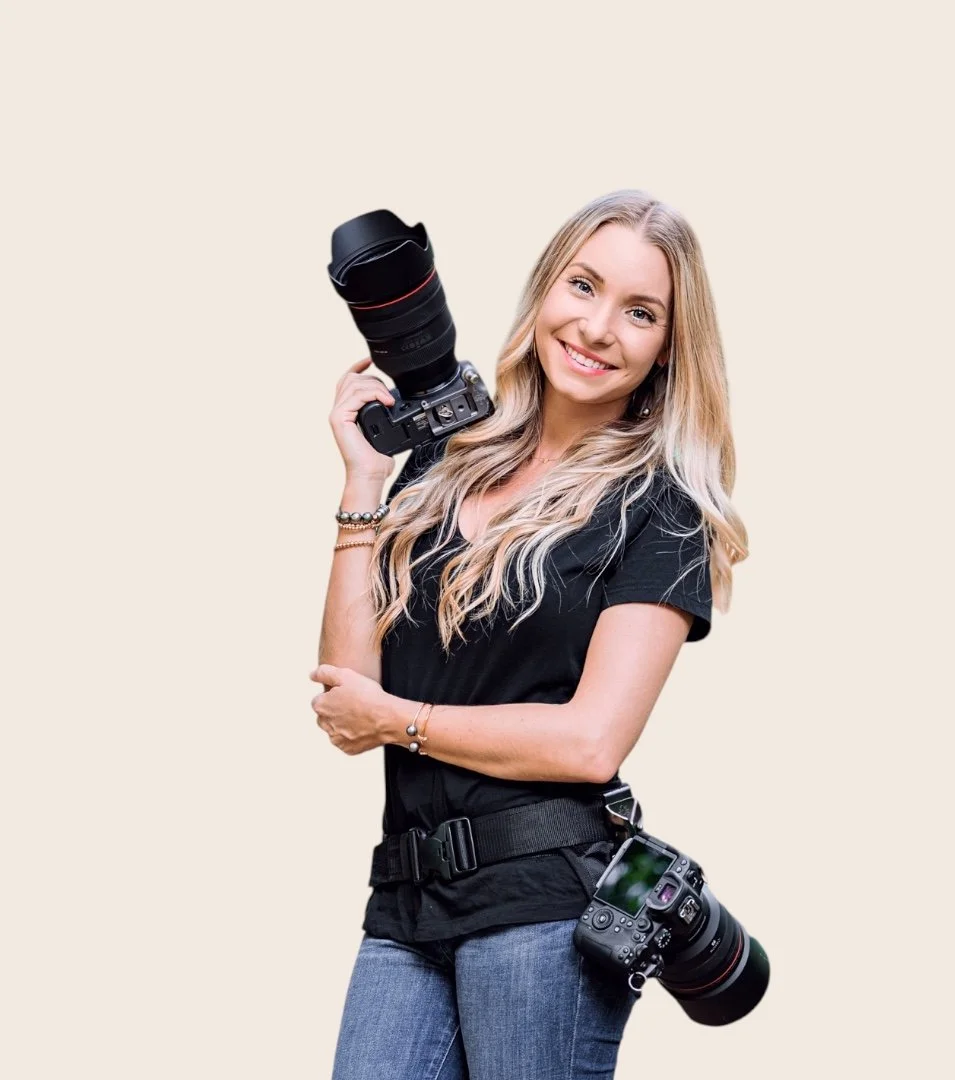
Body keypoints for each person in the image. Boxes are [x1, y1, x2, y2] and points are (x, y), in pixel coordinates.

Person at [309, 189, 748, 1079]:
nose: (597, 328)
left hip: (543, 909)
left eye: (639, 312)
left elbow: (590, 742)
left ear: (668, 347)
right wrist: (364, 480)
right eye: (582, 287)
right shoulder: (443, 459)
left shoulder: (659, 514)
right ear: (545, 290)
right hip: (406, 904)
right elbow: (347, 690)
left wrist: (401, 720)